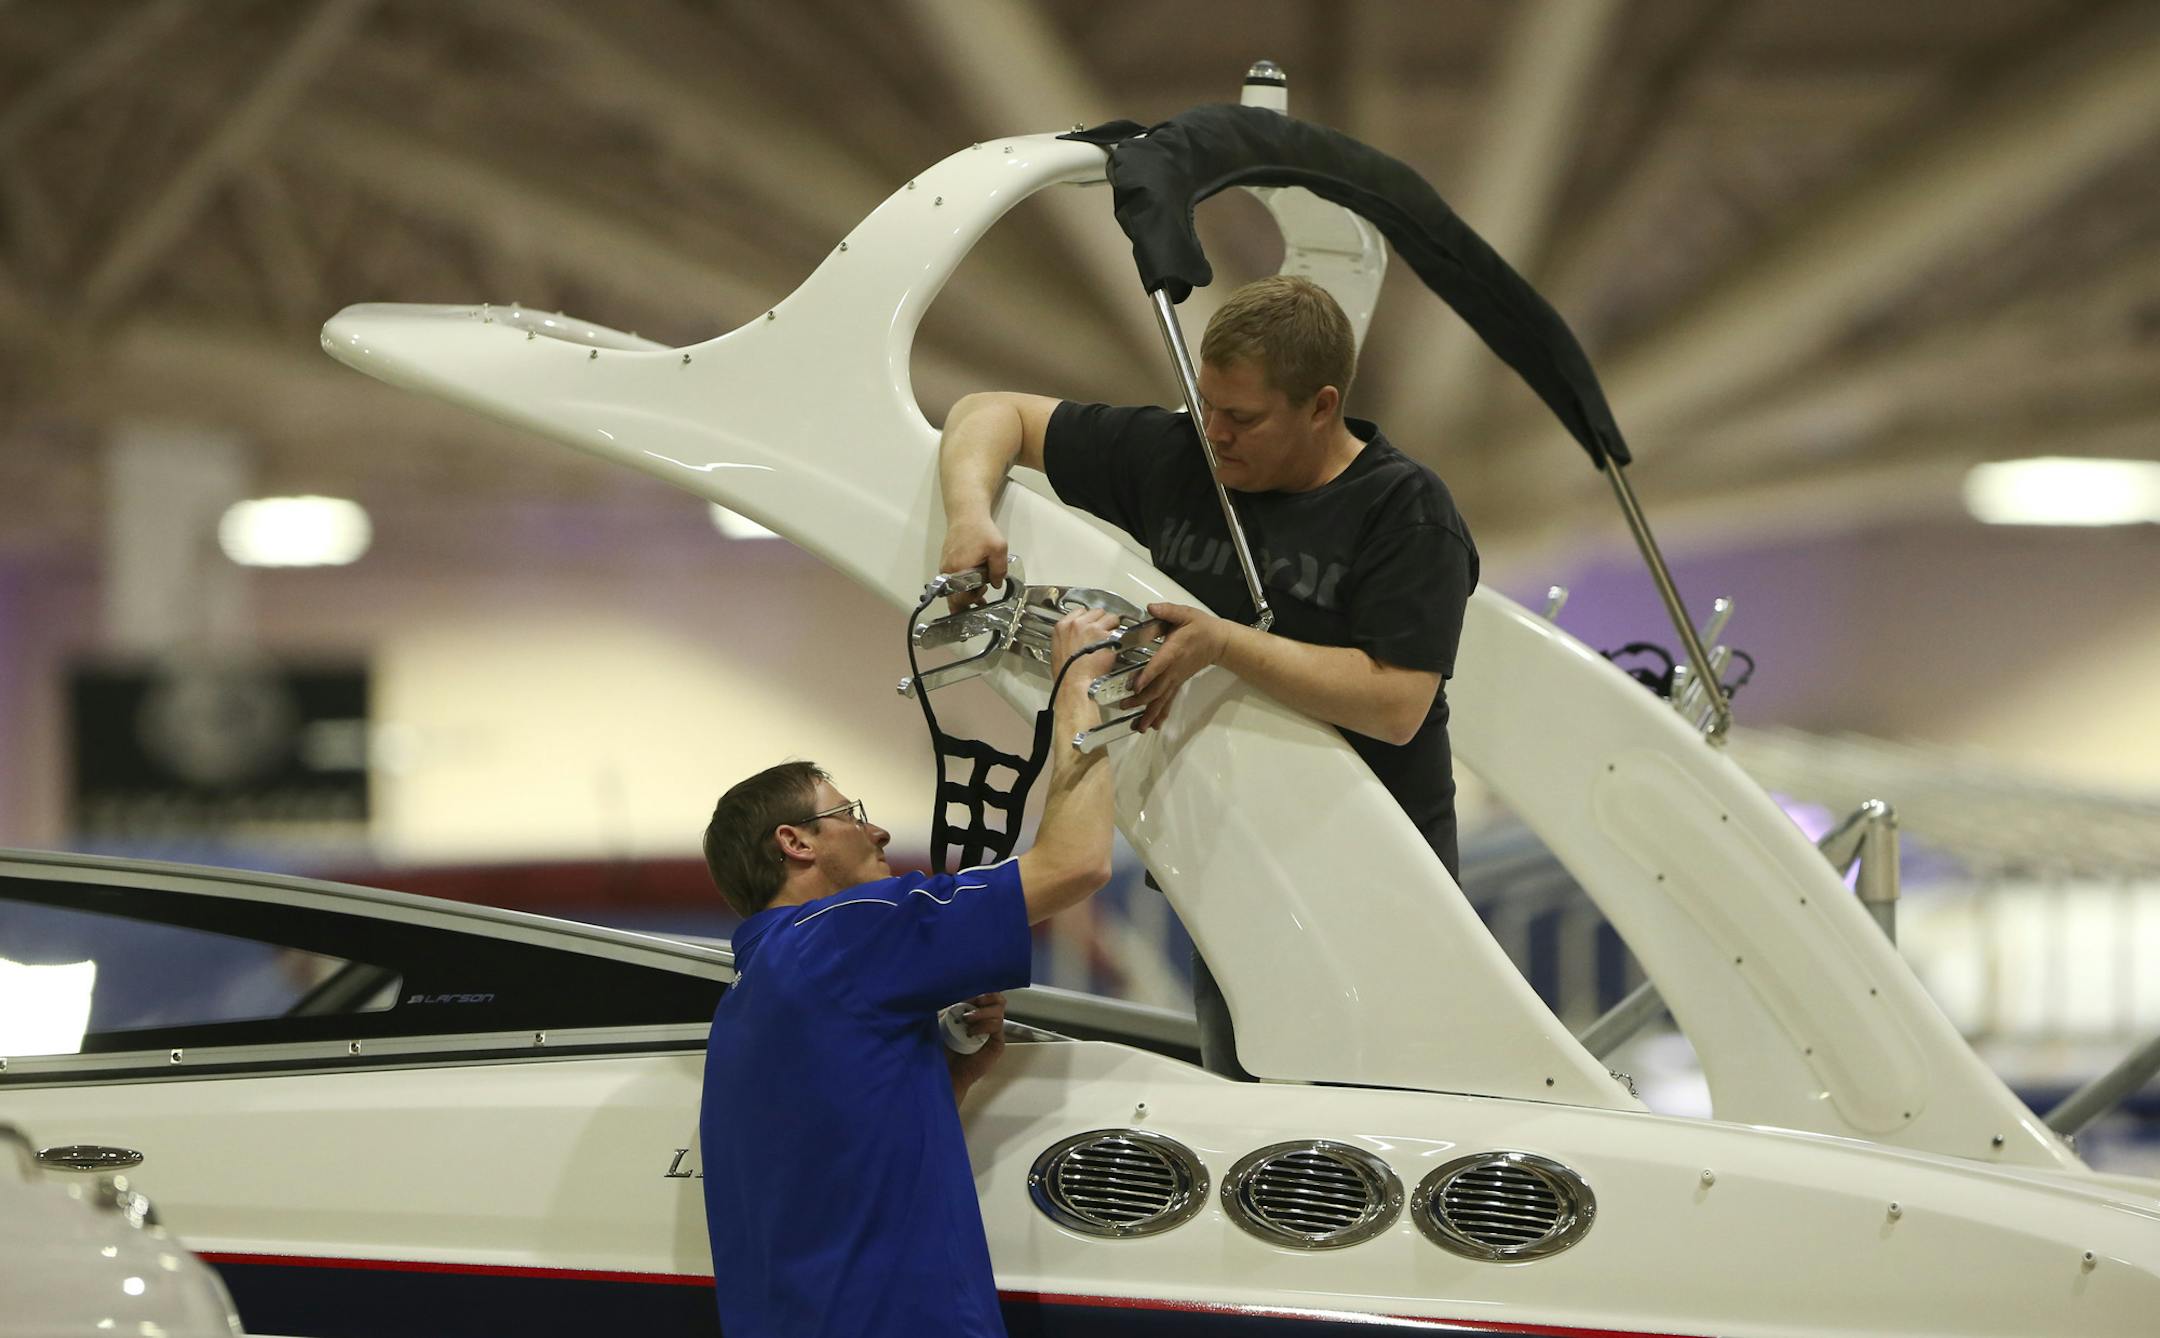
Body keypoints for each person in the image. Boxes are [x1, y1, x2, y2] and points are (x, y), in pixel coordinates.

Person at [937, 274, 1477, 1078]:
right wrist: (969, 513)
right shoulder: (1182, 454)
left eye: (1244, 418)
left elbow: (1396, 702)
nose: (1216, 434)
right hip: (1225, 865)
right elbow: (991, 411)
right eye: (1205, 404)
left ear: (1322, 406)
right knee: (1253, 1103)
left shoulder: (1404, 512)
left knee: (1366, 1120)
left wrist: (1225, 644)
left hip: (1371, 878)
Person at [697, 608, 1122, 1338]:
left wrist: (950, 1076)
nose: (879, 830)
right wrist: (1080, 684)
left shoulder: (753, 992)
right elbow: (1077, 862)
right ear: (795, 841)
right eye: (850, 814)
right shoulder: (846, 933)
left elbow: (844, 1158)